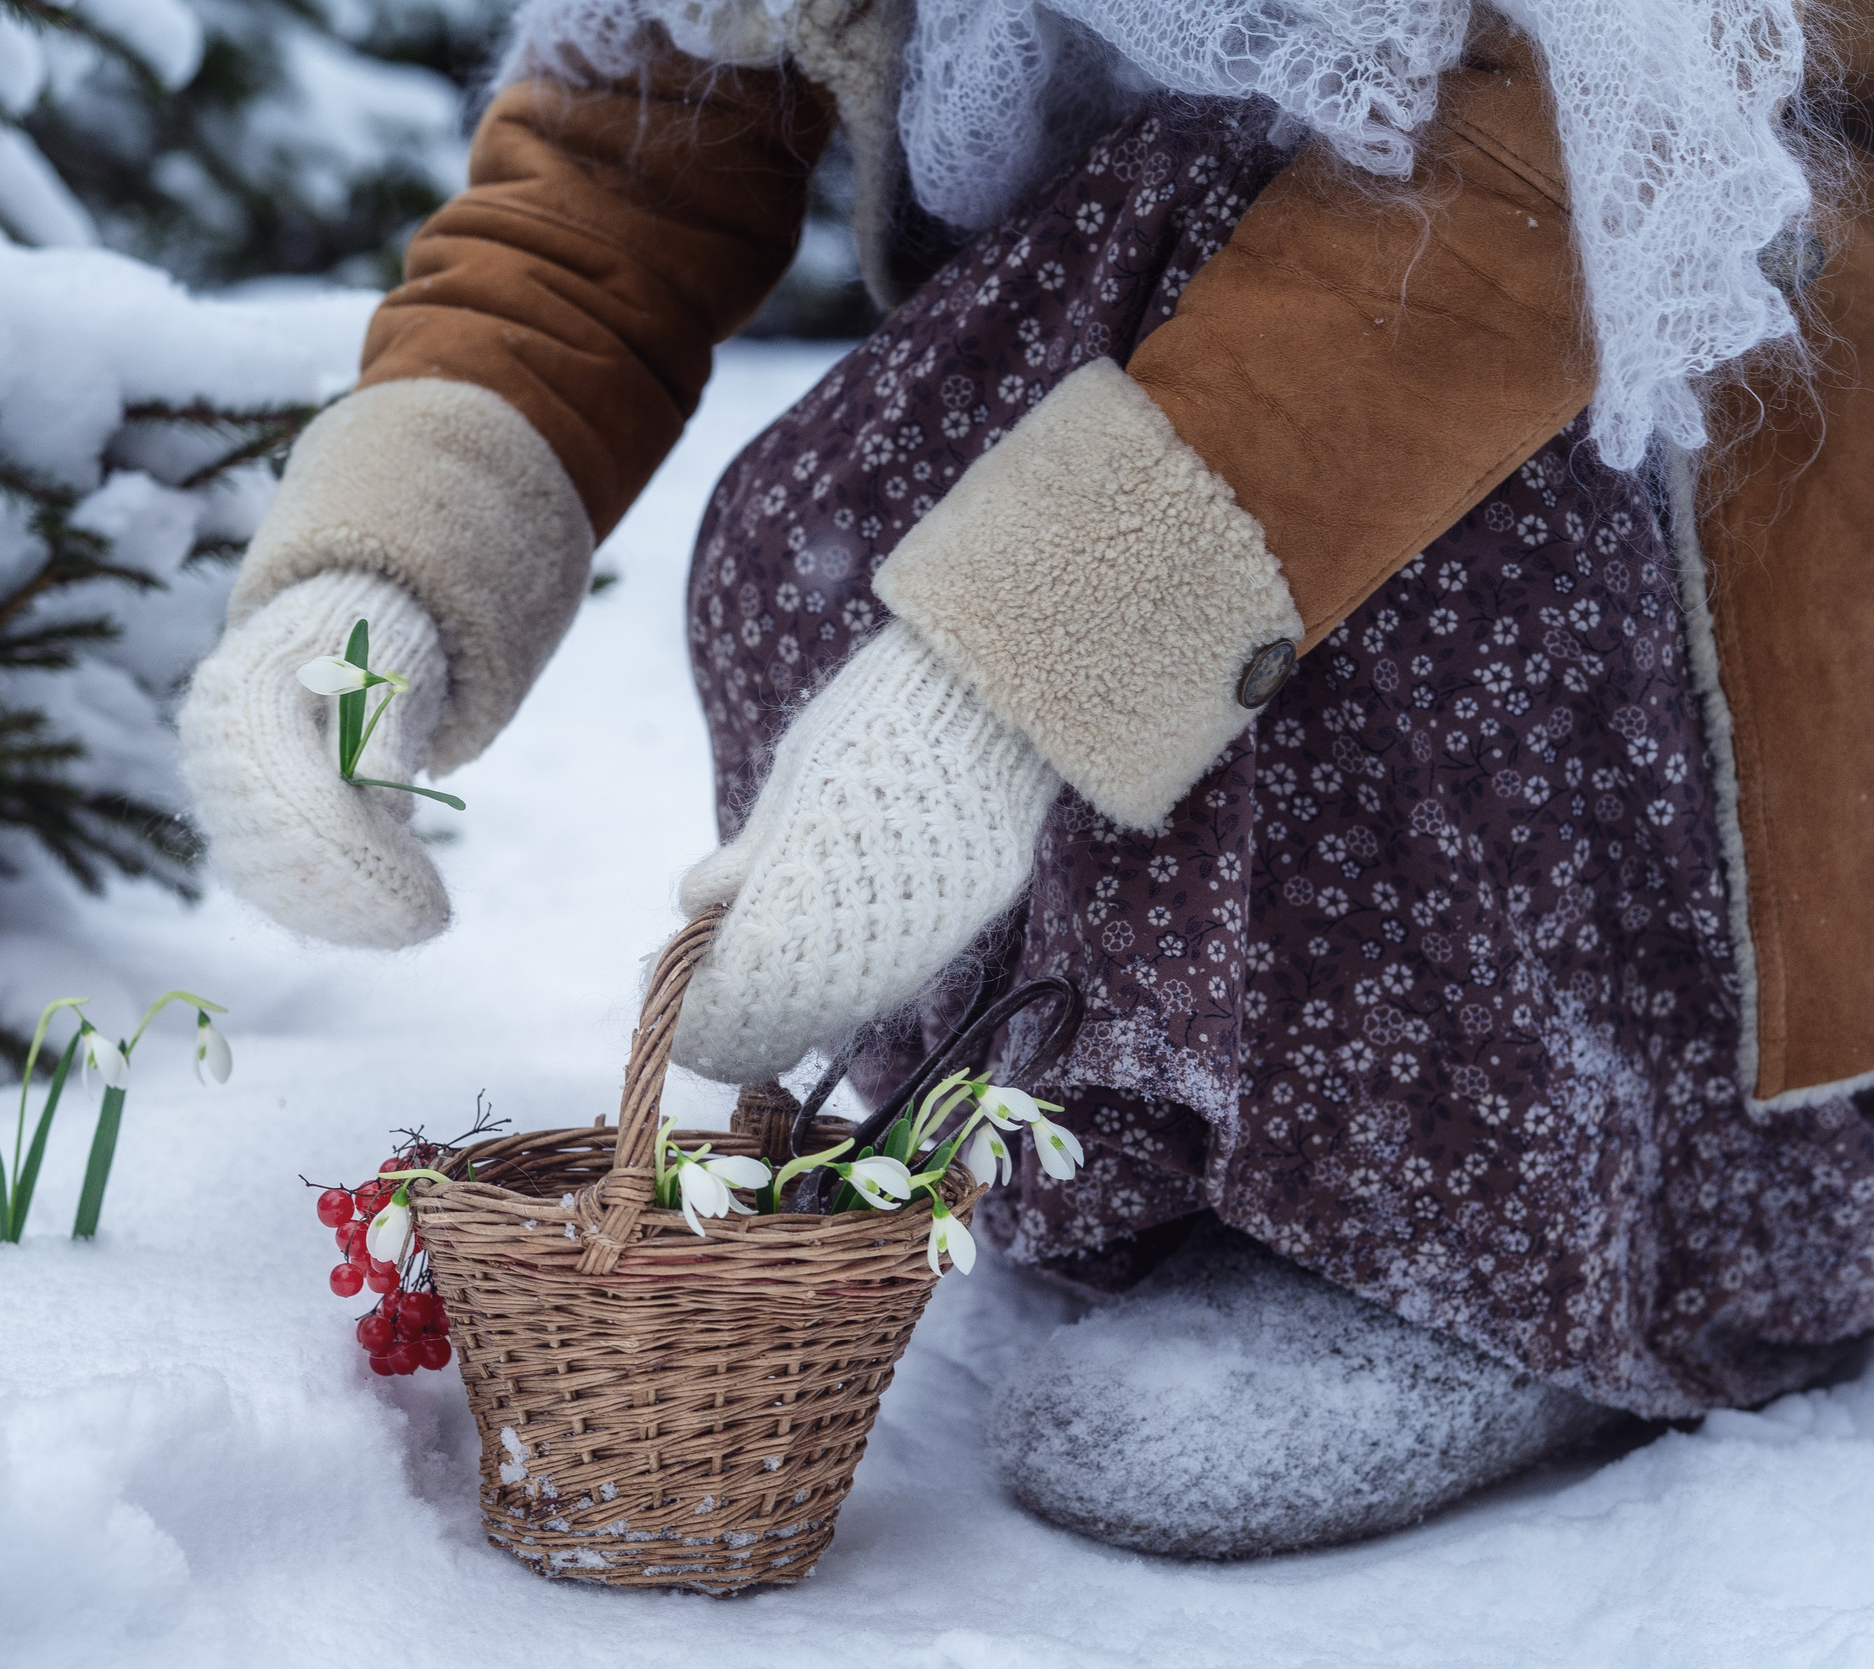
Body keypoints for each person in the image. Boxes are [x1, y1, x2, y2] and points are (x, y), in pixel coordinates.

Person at [177, 0, 1874, 1558]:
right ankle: (1153, 1161)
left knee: (1359, 436)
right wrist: (396, 562)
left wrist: (1009, 680)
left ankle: (1511, 1235)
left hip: (1634, 405)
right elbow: (630, 155)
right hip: (1137, 374)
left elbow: (1557, 158)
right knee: (810, 533)